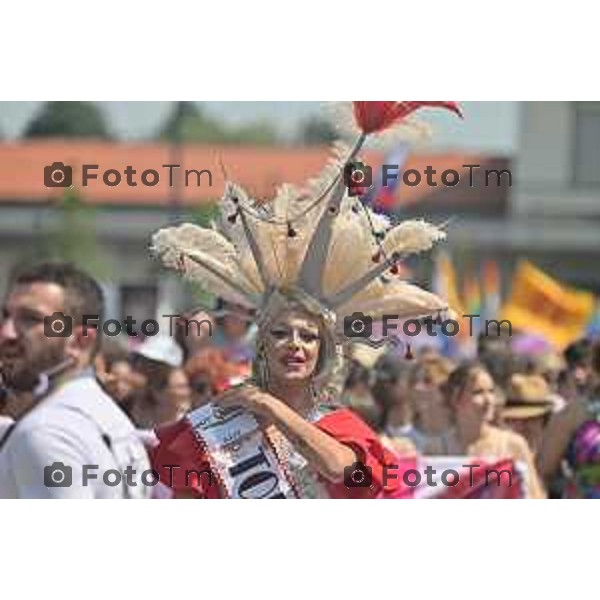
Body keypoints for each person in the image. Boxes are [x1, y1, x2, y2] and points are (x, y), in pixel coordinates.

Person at [148, 101, 459, 498]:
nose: (295, 344)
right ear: (261, 344)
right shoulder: (218, 423)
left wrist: (267, 406)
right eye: (281, 333)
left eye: (309, 337)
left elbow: (337, 467)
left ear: (323, 351)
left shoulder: (337, 423)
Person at [0, 262, 151, 499]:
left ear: (80, 340)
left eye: (30, 319)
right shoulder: (110, 417)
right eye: (6, 315)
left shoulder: (45, 432)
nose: (6, 332)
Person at [443, 362, 546, 498]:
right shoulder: (438, 447)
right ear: (456, 398)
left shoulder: (513, 444)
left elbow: (534, 496)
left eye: (491, 392)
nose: (488, 400)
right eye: (478, 392)